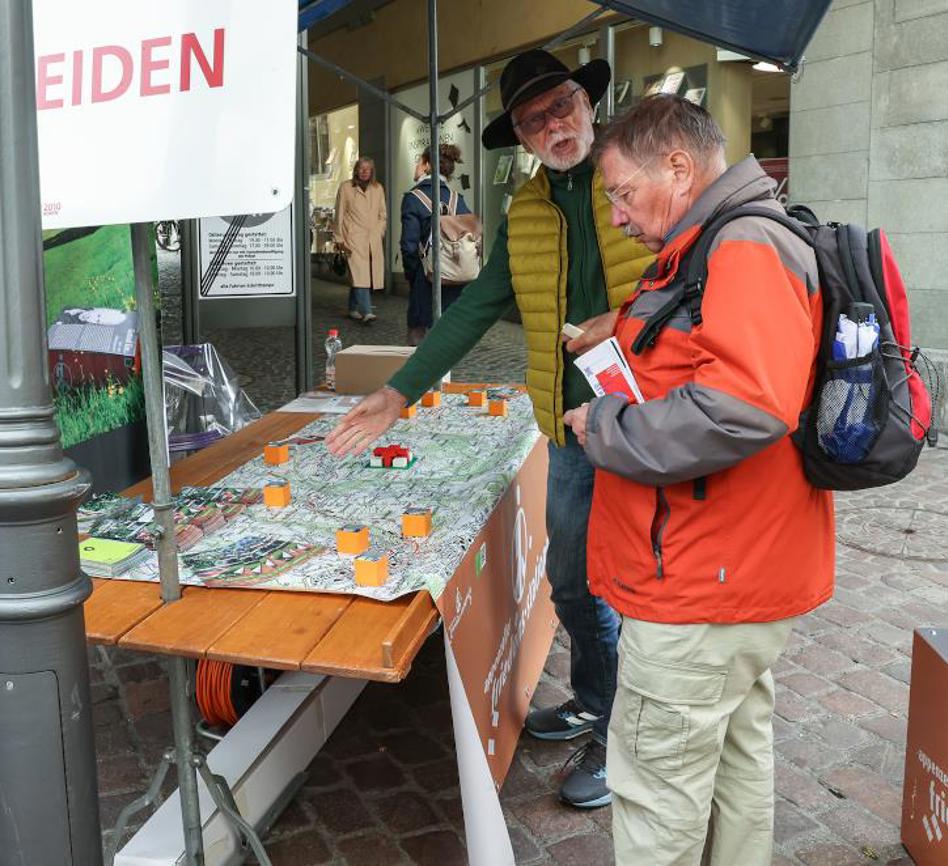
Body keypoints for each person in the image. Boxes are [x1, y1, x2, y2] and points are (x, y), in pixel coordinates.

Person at [327, 50, 653, 809]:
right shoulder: (530, 208)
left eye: (562, 106)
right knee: (572, 583)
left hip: (650, 421)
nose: (554, 125)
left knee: (639, 588)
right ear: (524, 137)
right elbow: (475, 307)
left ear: (587, 102)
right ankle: (597, 700)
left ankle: (623, 740)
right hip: (570, 427)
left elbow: (701, 279)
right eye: (535, 120)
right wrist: (400, 390)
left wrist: (630, 319)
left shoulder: (636, 181)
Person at [562, 94, 834, 865]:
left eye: (621, 191)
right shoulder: (721, 239)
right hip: (733, 572)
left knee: (657, 794)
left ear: (679, 167)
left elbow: (743, 404)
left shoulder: (741, 243)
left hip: (701, 581)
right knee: (735, 768)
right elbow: (707, 351)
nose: (615, 215)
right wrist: (618, 331)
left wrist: (604, 427)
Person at [399, 143, 472, 346]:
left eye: (419, 161)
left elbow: (408, 245)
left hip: (425, 279)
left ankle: (419, 378)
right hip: (456, 280)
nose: (416, 165)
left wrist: (413, 276)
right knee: (447, 339)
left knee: (417, 336)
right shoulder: (459, 200)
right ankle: (444, 377)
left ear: (427, 165)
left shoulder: (413, 199)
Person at [334, 157, 388, 324]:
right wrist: (339, 238)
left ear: (372, 171)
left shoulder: (378, 188)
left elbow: (382, 214)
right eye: (361, 168)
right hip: (353, 237)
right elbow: (339, 214)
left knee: (361, 274)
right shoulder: (346, 188)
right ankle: (367, 311)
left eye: (368, 169)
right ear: (356, 170)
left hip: (372, 237)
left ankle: (353, 308)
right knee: (360, 273)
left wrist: (379, 231)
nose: (365, 171)